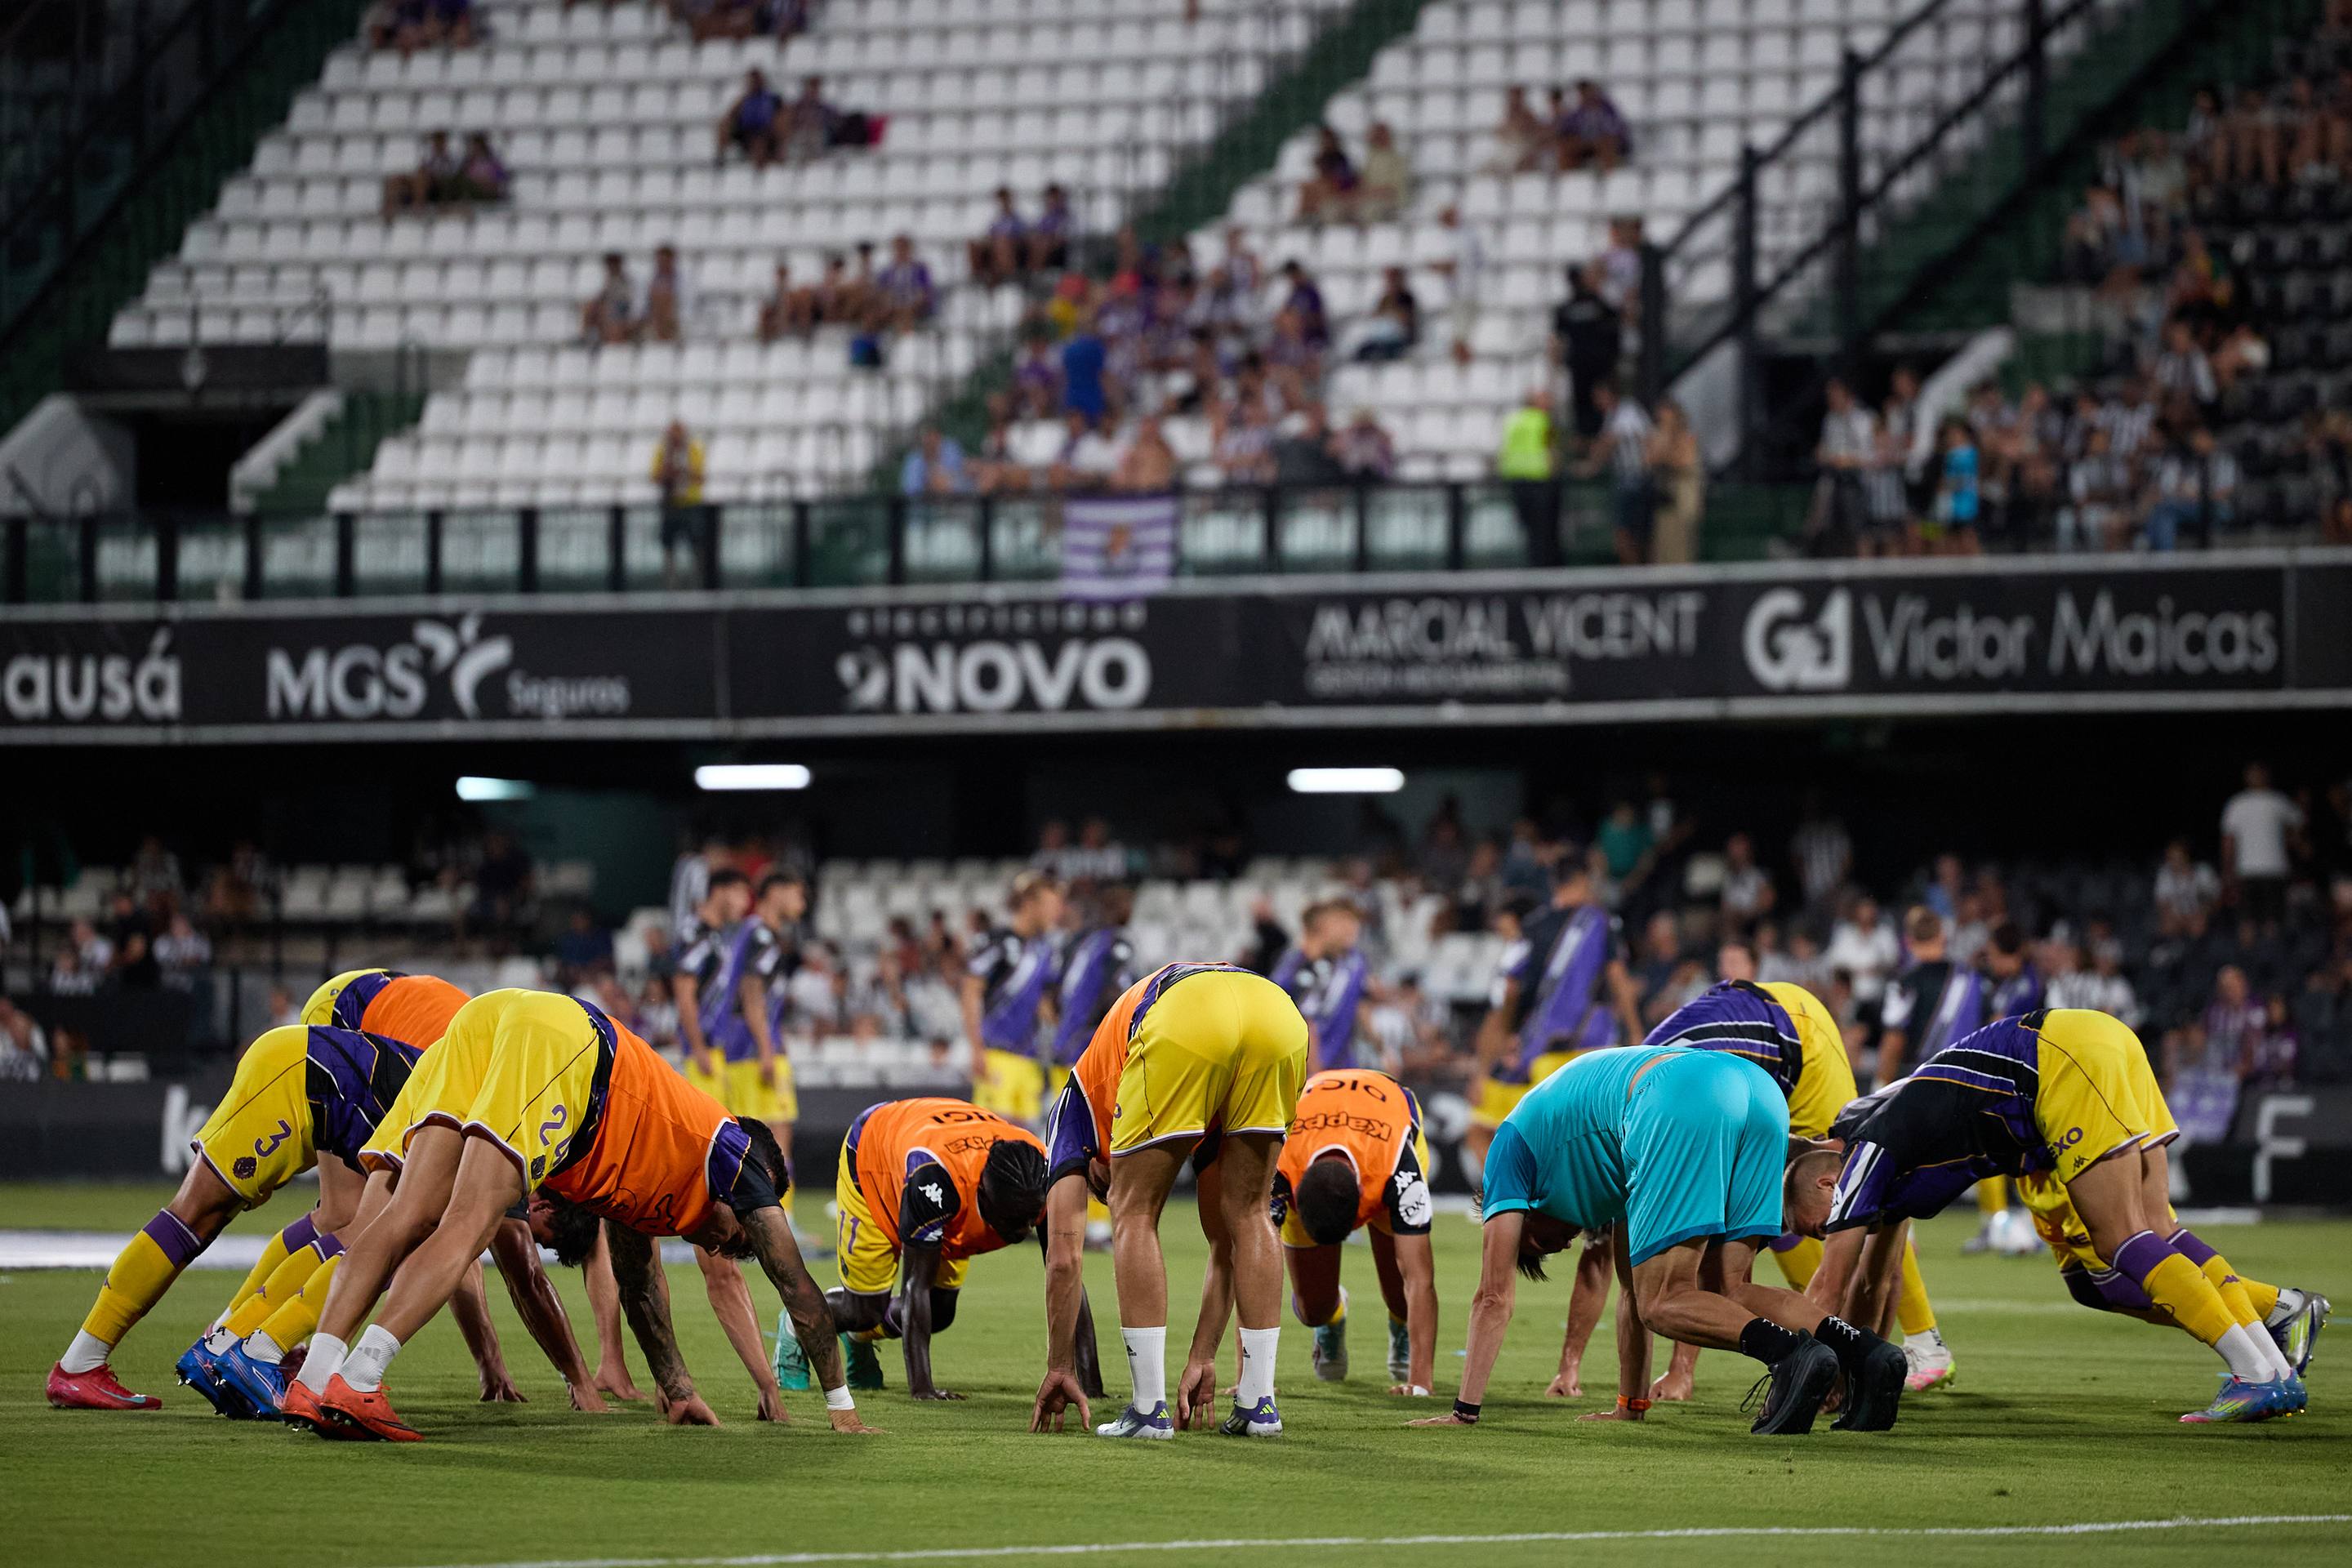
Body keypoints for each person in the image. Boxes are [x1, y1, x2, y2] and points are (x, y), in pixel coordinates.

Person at [286, 989, 880, 1441]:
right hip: (568, 1048)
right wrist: (841, 1407)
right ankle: (361, 1380)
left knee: (405, 1214)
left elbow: (640, 1285)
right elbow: (798, 1286)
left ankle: (313, 1383)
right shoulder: (736, 1151)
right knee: (466, 1224)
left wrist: (675, 1390)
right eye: (738, 1231)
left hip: (487, 1023)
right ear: (755, 1190)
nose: (729, 1245)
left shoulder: (655, 1184)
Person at [1827, 1009, 2310, 1422]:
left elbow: (1838, 1283)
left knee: (2120, 1239)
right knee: (2161, 1232)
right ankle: (2276, 1372)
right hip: (2102, 1039)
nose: (1822, 1221)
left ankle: (2254, 1373)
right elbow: (1877, 1281)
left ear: (1831, 1166)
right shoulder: (1893, 1133)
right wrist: (1854, 1372)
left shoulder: (1862, 1150)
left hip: (2057, 1058)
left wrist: (1823, 1371)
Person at [1410, 1043, 1906, 1437]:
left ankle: (1789, 1355)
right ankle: (1865, 1353)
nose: (1558, 1248)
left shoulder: (1508, 1160)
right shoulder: (1598, 1167)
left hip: (1678, 1098)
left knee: (1664, 1302)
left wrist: (1464, 1412)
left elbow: (1493, 1297)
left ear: (1522, 1218)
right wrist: (1631, 1405)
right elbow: (1626, 1288)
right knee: (1729, 1289)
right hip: (1754, 1090)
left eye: (1536, 1246)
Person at [1625, 965, 1954, 1401]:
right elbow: (1701, 1251)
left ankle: (1917, 1343)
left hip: (1799, 1033)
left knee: (1854, 1220)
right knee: (1786, 1228)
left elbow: (1702, 1249)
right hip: (1745, 1065)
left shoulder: (1671, 1116)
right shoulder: (1652, 1109)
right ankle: (1846, 1358)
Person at [1030, 963, 1308, 1439]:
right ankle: (1259, 1404)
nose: (1105, 1185)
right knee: (1251, 1213)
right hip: (1275, 1011)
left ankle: (1146, 1411)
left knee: (1134, 1211)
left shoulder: (1070, 1110)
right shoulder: (1145, 1091)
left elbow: (1062, 1260)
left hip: (1185, 1015)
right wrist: (1203, 1353)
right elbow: (1224, 1246)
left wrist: (1060, 1364)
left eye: (1100, 1185)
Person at [815, 1097, 1057, 1398]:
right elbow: (915, 1286)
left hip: (936, 1146)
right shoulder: (934, 1177)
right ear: (984, 1194)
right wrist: (923, 1390)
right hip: (874, 1156)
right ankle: (800, 1323)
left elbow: (1066, 1271)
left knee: (939, 1312)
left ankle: (858, 1337)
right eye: (1014, 1219)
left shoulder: (1038, 1177)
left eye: (1031, 1218)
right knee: (865, 1310)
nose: (1026, 1229)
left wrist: (1089, 1384)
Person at [1466, 863, 1643, 1174]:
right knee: (1587, 1140)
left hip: (1536, 1053)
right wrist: (1637, 1033)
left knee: (1483, 1132)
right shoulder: (1600, 921)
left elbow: (1510, 988)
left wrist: (1507, 1037)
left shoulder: (1533, 926)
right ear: (1583, 881)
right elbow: (1617, 977)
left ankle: (1515, 1200)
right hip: (1592, 1049)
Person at [1273, 1067, 1439, 1395]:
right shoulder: (1279, 1165)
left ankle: (1401, 1326)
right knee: (1312, 1310)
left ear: (1365, 1202)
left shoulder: (1399, 1171)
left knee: (1401, 1296)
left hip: (1387, 1118)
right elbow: (1250, 1263)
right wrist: (1248, 1378)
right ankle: (1332, 1316)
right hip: (1314, 1131)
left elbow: (1420, 1278)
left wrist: (1421, 1382)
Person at [964, 871, 1066, 1124]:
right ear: (1030, 904)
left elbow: (1043, 1004)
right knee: (993, 1139)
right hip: (997, 1056)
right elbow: (970, 991)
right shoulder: (997, 942)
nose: (1057, 913)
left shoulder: (1046, 950)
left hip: (1029, 1059)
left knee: (1026, 1144)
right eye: (1051, 905)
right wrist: (976, 1048)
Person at [1271, 899, 1372, 1073]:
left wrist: (1380, 1045)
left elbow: (1359, 1001)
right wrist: (1315, 1072)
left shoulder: (1347, 961)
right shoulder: (1301, 968)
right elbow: (1305, 1021)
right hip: (1303, 1066)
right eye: (1342, 922)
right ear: (1323, 927)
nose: (1350, 929)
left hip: (1340, 1062)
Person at [2221, 761, 2302, 929]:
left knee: (2273, 920)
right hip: (2247, 869)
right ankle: (2246, 955)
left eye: (2258, 773)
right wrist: (2228, 870)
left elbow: (2298, 825)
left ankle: (2272, 953)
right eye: (2251, 773)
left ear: (2266, 775)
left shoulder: (2279, 801)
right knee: (2247, 920)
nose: (2255, 777)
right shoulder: (2237, 803)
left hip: (2275, 868)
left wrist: (2291, 843)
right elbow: (2228, 841)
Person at [1552, 265, 1621, 440]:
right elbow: (1616, 322)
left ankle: (1591, 438)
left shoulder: (1566, 308)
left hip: (1581, 364)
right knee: (1597, 403)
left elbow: (1557, 341)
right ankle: (1597, 437)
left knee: (1586, 404)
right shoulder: (1596, 302)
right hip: (1599, 362)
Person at [1496, 387, 1560, 567]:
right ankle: (1541, 571)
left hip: (1516, 480)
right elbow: (1550, 451)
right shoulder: (1544, 420)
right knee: (1542, 532)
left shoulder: (1513, 421)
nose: (1549, 403)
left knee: (1529, 529)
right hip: (1539, 481)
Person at [1646, 399, 1704, 564]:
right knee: (1662, 550)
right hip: (1664, 502)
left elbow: (1682, 461)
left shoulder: (1688, 437)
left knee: (1682, 552)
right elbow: (1649, 459)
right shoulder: (1658, 436)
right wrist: (1664, 437)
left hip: (1683, 502)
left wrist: (1664, 453)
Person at [716, 68, 783, 167]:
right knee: (723, 126)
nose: (754, 83)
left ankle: (761, 170)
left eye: (757, 80)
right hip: (746, 132)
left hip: (764, 132)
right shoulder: (744, 99)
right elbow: (730, 115)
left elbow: (782, 113)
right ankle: (720, 157)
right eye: (752, 81)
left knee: (759, 142)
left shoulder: (772, 99)